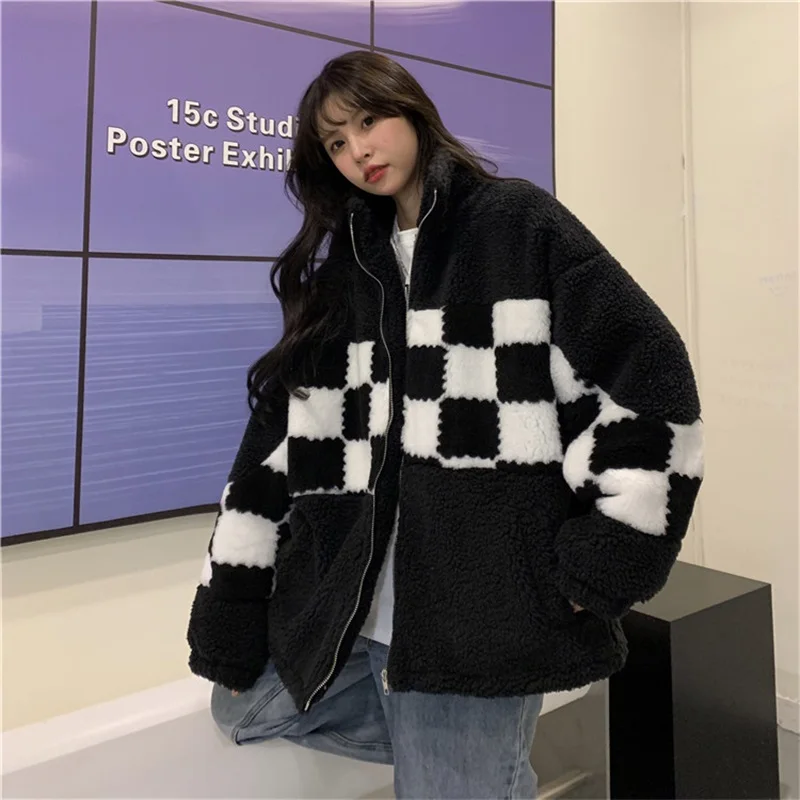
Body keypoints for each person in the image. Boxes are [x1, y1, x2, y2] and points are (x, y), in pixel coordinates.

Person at [186, 50, 704, 799]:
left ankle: (481, 762)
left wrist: (610, 556)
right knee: (242, 708)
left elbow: (647, 375)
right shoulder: (348, 273)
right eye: (336, 141)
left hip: (477, 614)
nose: (358, 150)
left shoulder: (514, 224)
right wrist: (231, 605)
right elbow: (275, 447)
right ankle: (484, 765)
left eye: (369, 121)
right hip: (357, 608)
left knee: (453, 783)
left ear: (411, 110)